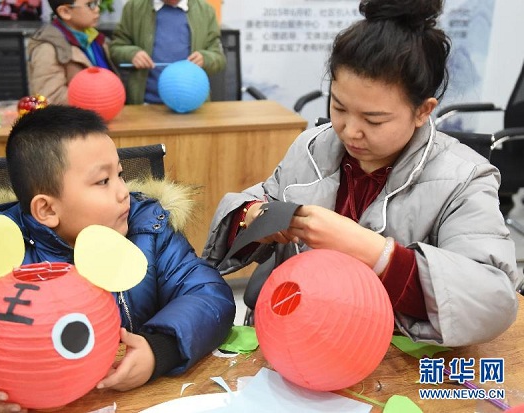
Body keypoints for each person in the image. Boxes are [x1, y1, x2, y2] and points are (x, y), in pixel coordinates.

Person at [203, 0, 521, 347]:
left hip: (389, 358)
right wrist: (253, 218)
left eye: (373, 120)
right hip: (296, 337)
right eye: (338, 107)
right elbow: (265, 197)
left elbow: (492, 298)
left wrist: (376, 254)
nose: (349, 131)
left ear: (422, 111)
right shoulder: (313, 146)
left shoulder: (464, 178)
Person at [0, 105, 235, 411]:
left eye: (120, 175)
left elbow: (209, 294)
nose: (122, 192)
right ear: (46, 209)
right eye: (103, 181)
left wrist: (160, 349)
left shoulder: (148, 231)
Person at [109, 0, 226, 104]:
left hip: (192, 105)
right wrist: (132, 54)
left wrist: (205, 58)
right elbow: (116, 48)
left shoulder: (205, 10)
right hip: (145, 104)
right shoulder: (134, 8)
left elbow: (218, 57)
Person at [27, 0, 118, 105]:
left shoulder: (95, 38)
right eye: (90, 5)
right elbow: (50, 98)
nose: (97, 9)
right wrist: (98, 100)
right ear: (65, 12)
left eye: (97, 2)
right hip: (75, 119)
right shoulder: (47, 48)